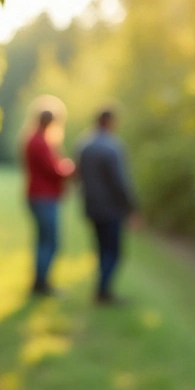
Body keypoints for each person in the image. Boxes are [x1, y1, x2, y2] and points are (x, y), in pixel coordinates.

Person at [75, 108, 139, 304]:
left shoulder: (83, 145)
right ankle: (103, 292)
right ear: (110, 122)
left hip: (91, 206)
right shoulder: (112, 147)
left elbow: (78, 175)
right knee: (113, 251)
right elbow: (120, 182)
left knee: (101, 249)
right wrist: (132, 208)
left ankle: (101, 290)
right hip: (111, 209)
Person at [23, 109, 75, 296]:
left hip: (38, 196)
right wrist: (70, 168)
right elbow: (53, 170)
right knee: (49, 242)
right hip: (44, 197)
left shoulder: (33, 139)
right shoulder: (40, 142)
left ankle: (40, 281)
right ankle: (41, 283)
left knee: (43, 241)